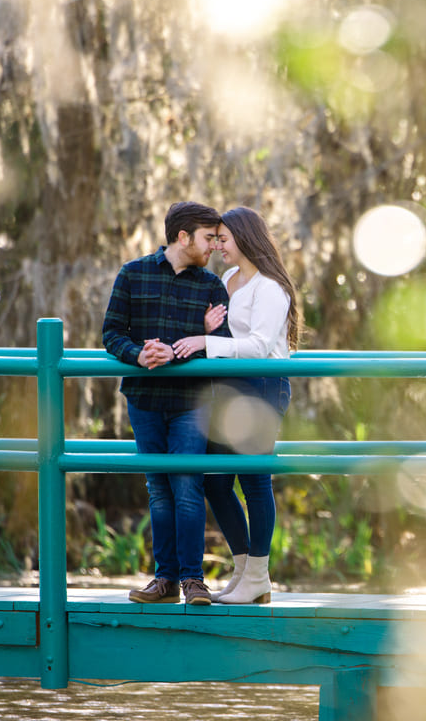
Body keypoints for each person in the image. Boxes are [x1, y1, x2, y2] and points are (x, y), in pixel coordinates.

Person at [102, 201, 230, 606]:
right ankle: (164, 581)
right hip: (144, 399)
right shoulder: (132, 274)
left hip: (193, 402)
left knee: (188, 485)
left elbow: (223, 345)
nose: (213, 246)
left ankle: (194, 581)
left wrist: (209, 333)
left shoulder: (212, 286)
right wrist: (138, 354)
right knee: (158, 489)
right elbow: (111, 333)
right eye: (208, 237)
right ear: (182, 237)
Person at [172, 207, 301, 605]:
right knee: (214, 481)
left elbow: (261, 346)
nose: (217, 245)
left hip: (263, 387)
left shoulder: (271, 288)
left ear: (244, 238)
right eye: (214, 238)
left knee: (255, 480)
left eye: (223, 239)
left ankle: (259, 574)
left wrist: (207, 343)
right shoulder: (228, 279)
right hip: (231, 388)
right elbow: (231, 334)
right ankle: (245, 569)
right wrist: (210, 331)